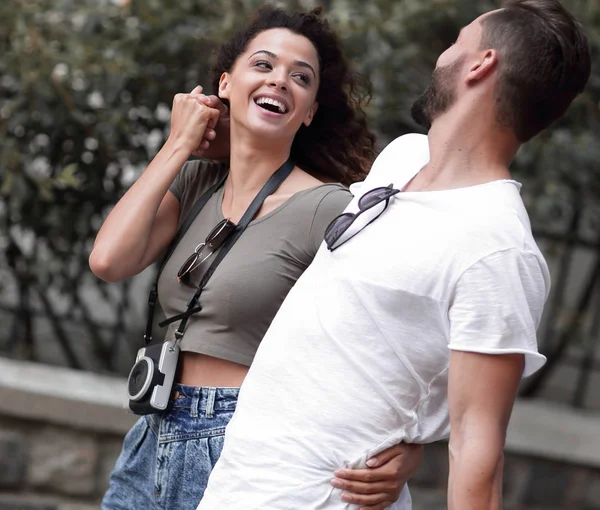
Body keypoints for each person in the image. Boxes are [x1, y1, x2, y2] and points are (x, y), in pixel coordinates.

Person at [196, 1, 592, 509]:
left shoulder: (497, 248)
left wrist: (418, 439)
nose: (442, 55)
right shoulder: (404, 157)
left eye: (458, 40)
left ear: (480, 64)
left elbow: (476, 450)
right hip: (239, 485)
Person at [90, 6, 424, 510]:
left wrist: (411, 444)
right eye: (264, 65)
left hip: (243, 439)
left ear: (309, 110)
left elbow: (401, 328)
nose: (281, 81)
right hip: (152, 431)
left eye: (301, 77)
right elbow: (109, 261)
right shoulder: (196, 183)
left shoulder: (327, 207)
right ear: (226, 83)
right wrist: (179, 145)